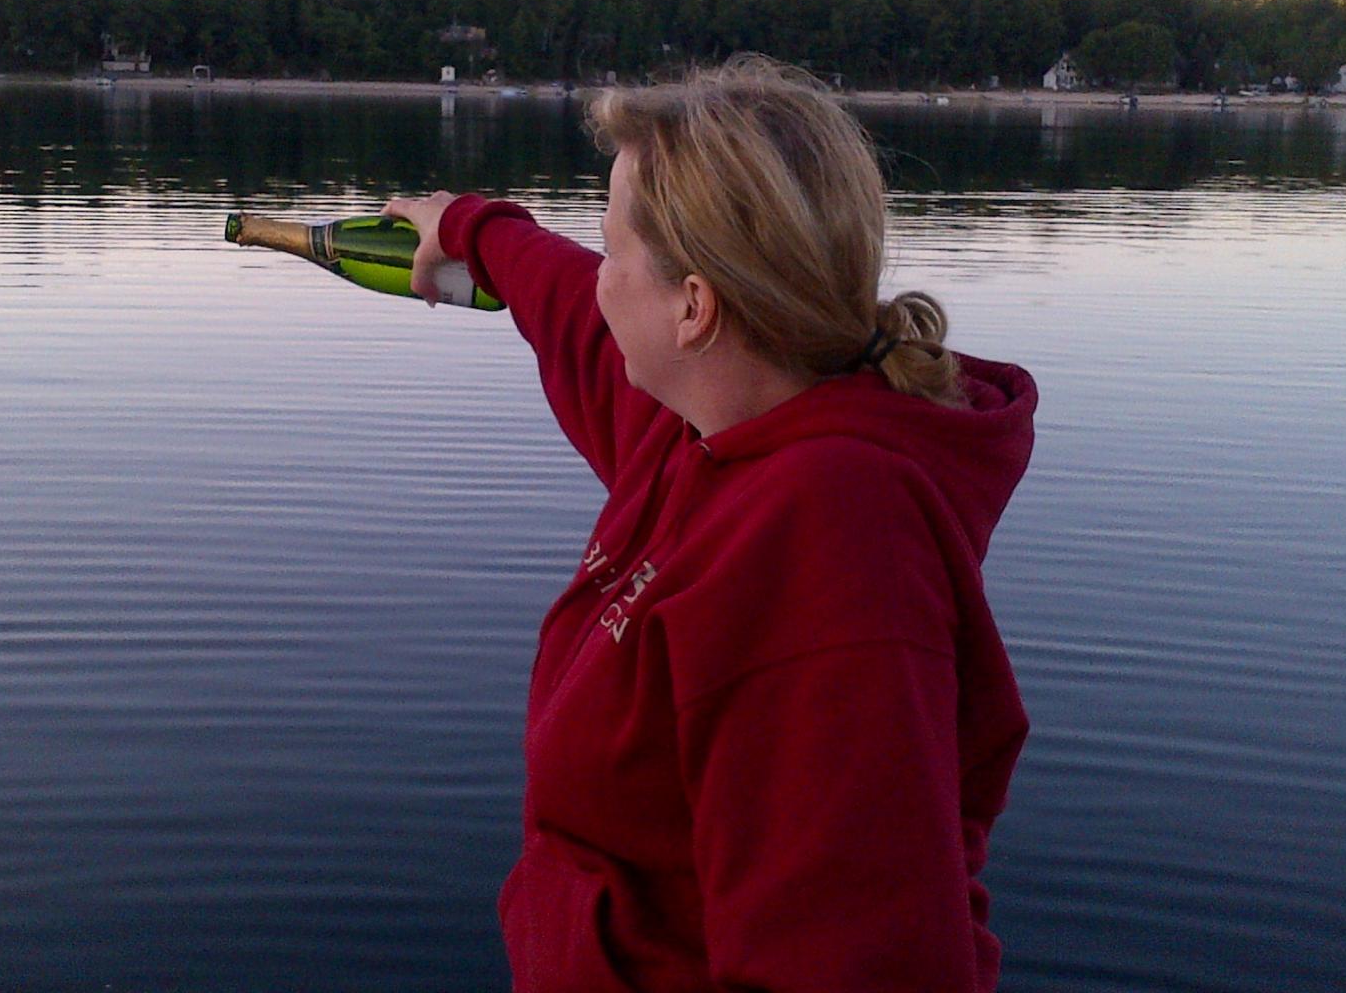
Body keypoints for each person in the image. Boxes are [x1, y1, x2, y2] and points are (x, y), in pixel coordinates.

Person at [383, 55, 1037, 992]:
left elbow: (863, 959)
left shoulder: (829, 550)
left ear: (694, 307)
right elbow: (571, 301)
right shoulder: (707, 422)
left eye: (613, 250)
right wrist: (474, 231)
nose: (598, 277)